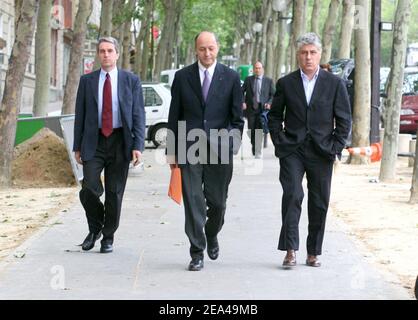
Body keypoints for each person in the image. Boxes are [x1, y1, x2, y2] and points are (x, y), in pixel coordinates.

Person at [268, 33, 352, 268]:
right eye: (304, 52)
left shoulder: (334, 84)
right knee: (293, 195)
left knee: (319, 202)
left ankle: (313, 251)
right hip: (292, 150)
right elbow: (274, 116)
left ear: (320, 54)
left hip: (322, 150)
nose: (308, 57)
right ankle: (290, 250)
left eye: (312, 52)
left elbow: (344, 119)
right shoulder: (286, 83)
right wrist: (279, 141)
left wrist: (336, 146)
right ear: (297, 55)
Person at [167, 31, 244, 271]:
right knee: (193, 201)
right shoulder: (182, 77)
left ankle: (212, 234)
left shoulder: (231, 78)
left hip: (220, 149)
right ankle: (196, 251)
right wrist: (172, 152)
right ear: (196, 50)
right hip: (189, 148)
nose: (207, 53)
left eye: (211, 48)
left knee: (218, 204)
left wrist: (231, 145)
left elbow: (237, 119)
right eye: (202, 49)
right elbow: (174, 116)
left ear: (217, 49)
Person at [73, 37, 145, 254]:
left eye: (110, 50)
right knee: (89, 189)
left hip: (120, 141)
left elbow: (138, 114)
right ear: (98, 54)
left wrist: (138, 145)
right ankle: (95, 227)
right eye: (102, 51)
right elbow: (80, 115)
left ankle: (108, 236)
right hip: (93, 142)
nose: (106, 54)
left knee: (114, 193)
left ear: (117, 54)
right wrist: (77, 146)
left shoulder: (130, 81)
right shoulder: (87, 81)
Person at [241, 61, 275, 158]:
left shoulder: (268, 81)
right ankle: (254, 146)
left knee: (259, 130)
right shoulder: (248, 80)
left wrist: (269, 103)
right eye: (256, 68)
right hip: (251, 109)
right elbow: (241, 92)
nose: (257, 70)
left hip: (262, 110)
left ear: (262, 69)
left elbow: (273, 94)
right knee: (251, 130)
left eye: (259, 68)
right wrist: (243, 102)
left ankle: (258, 150)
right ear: (254, 69)